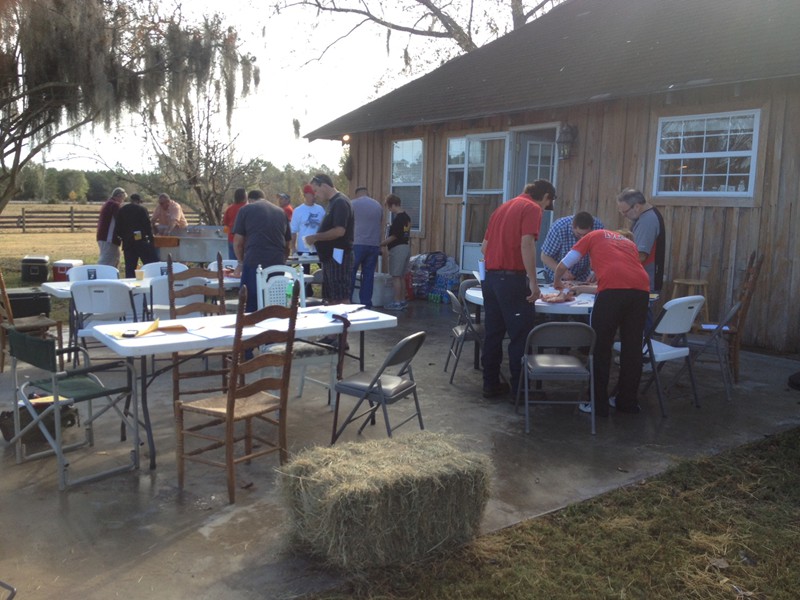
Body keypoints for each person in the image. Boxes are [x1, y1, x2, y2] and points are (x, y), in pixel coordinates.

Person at [554, 229, 650, 416]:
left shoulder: (593, 236)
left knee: (601, 346)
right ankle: (627, 403)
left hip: (612, 292)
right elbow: (623, 275)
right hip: (641, 289)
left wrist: (557, 281)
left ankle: (597, 404)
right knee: (632, 348)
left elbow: (565, 263)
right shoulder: (628, 243)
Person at [480, 180, 556, 398]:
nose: (545, 209)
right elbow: (527, 244)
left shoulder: (502, 208)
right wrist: (533, 281)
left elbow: (484, 247)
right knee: (521, 336)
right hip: (512, 280)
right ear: (546, 196)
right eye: (547, 204)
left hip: (491, 279)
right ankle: (520, 391)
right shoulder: (531, 208)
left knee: (493, 333)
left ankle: (490, 384)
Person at [232, 189, 292, 312]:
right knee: (274, 303)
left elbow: (238, 243)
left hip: (254, 261)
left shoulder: (245, 210)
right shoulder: (281, 212)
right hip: (276, 263)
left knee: (250, 304)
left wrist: (240, 262)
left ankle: (251, 322)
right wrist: (283, 261)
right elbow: (287, 244)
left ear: (250, 200)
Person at [304, 174, 354, 305]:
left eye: (316, 190)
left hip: (338, 256)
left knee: (340, 297)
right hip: (330, 258)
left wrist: (315, 237)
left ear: (324, 186)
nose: (315, 195)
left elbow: (339, 231)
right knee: (331, 297)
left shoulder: (340, 202)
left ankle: (343, 318)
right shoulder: (332, 203)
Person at [540, 211, 604, 283]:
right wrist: (562, 271)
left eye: (586, 235)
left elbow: (601, 254)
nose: (582, 238)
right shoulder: (559, 229)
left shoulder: (598, 228)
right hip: (555, 275)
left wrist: (595, 271)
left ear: (592, 229)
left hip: (583, 276)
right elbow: (545, 256)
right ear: (573, 227)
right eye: (579, 234)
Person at [350, 186, 383, 308]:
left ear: (357, 194)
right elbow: (380, 225)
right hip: (373, 245)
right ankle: (366, 304)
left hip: (357, 243)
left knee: (351, 273)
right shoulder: (378, 206)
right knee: (368, 276)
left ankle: (348, 302)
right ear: (367, 193)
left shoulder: (352, 204)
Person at [291, 183, 326, 297]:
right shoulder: (298, 210)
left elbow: (325, 227)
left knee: (325, 271)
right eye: (312, 194)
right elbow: (294, 230)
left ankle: (326, 294)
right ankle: (306, 295)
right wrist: (293, 247)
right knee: (304, 273)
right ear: (305, 194)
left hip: (319, 247)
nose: (314, 196)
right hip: (303, 248)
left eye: (315, 193)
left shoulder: (320, 209)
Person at [380, 193, 411, 311]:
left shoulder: (398, 219)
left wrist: (382, 243)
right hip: (406, 247)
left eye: (389, 207)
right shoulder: (407, 217)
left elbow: (394, 236)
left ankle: (397, 302)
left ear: (393, 205)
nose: (389, 210)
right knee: (401, 276)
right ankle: (402, 300)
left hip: (398, 249)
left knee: (396, 277)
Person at [116, 193, 159, 277]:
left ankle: (129, 283)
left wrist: (124, 237)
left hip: (128, 242)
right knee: (150, 264)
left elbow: (118, 227)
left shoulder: (122, 210)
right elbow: (147, 226)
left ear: (131, 200)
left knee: (130, 267)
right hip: (141, 241)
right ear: (139, 201)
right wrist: (151, 240)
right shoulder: (142, 209)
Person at [96, 187, 126, 267]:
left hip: (104, 236)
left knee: (115, 257)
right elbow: (120, 220)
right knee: (106, 260)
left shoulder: (108, 203)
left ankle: (112, 274)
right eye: (123, 198)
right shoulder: (114, 205)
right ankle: (101, 273)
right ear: (119, 196)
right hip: (109, 237)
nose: (122, 201)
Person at [223, 188, 247, 260]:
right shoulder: (247, 208)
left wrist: (227, 234)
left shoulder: (229, 209)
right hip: (245, 240)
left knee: (233, 262)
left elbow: (225, 224)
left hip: (232, 239)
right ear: (245, 196)